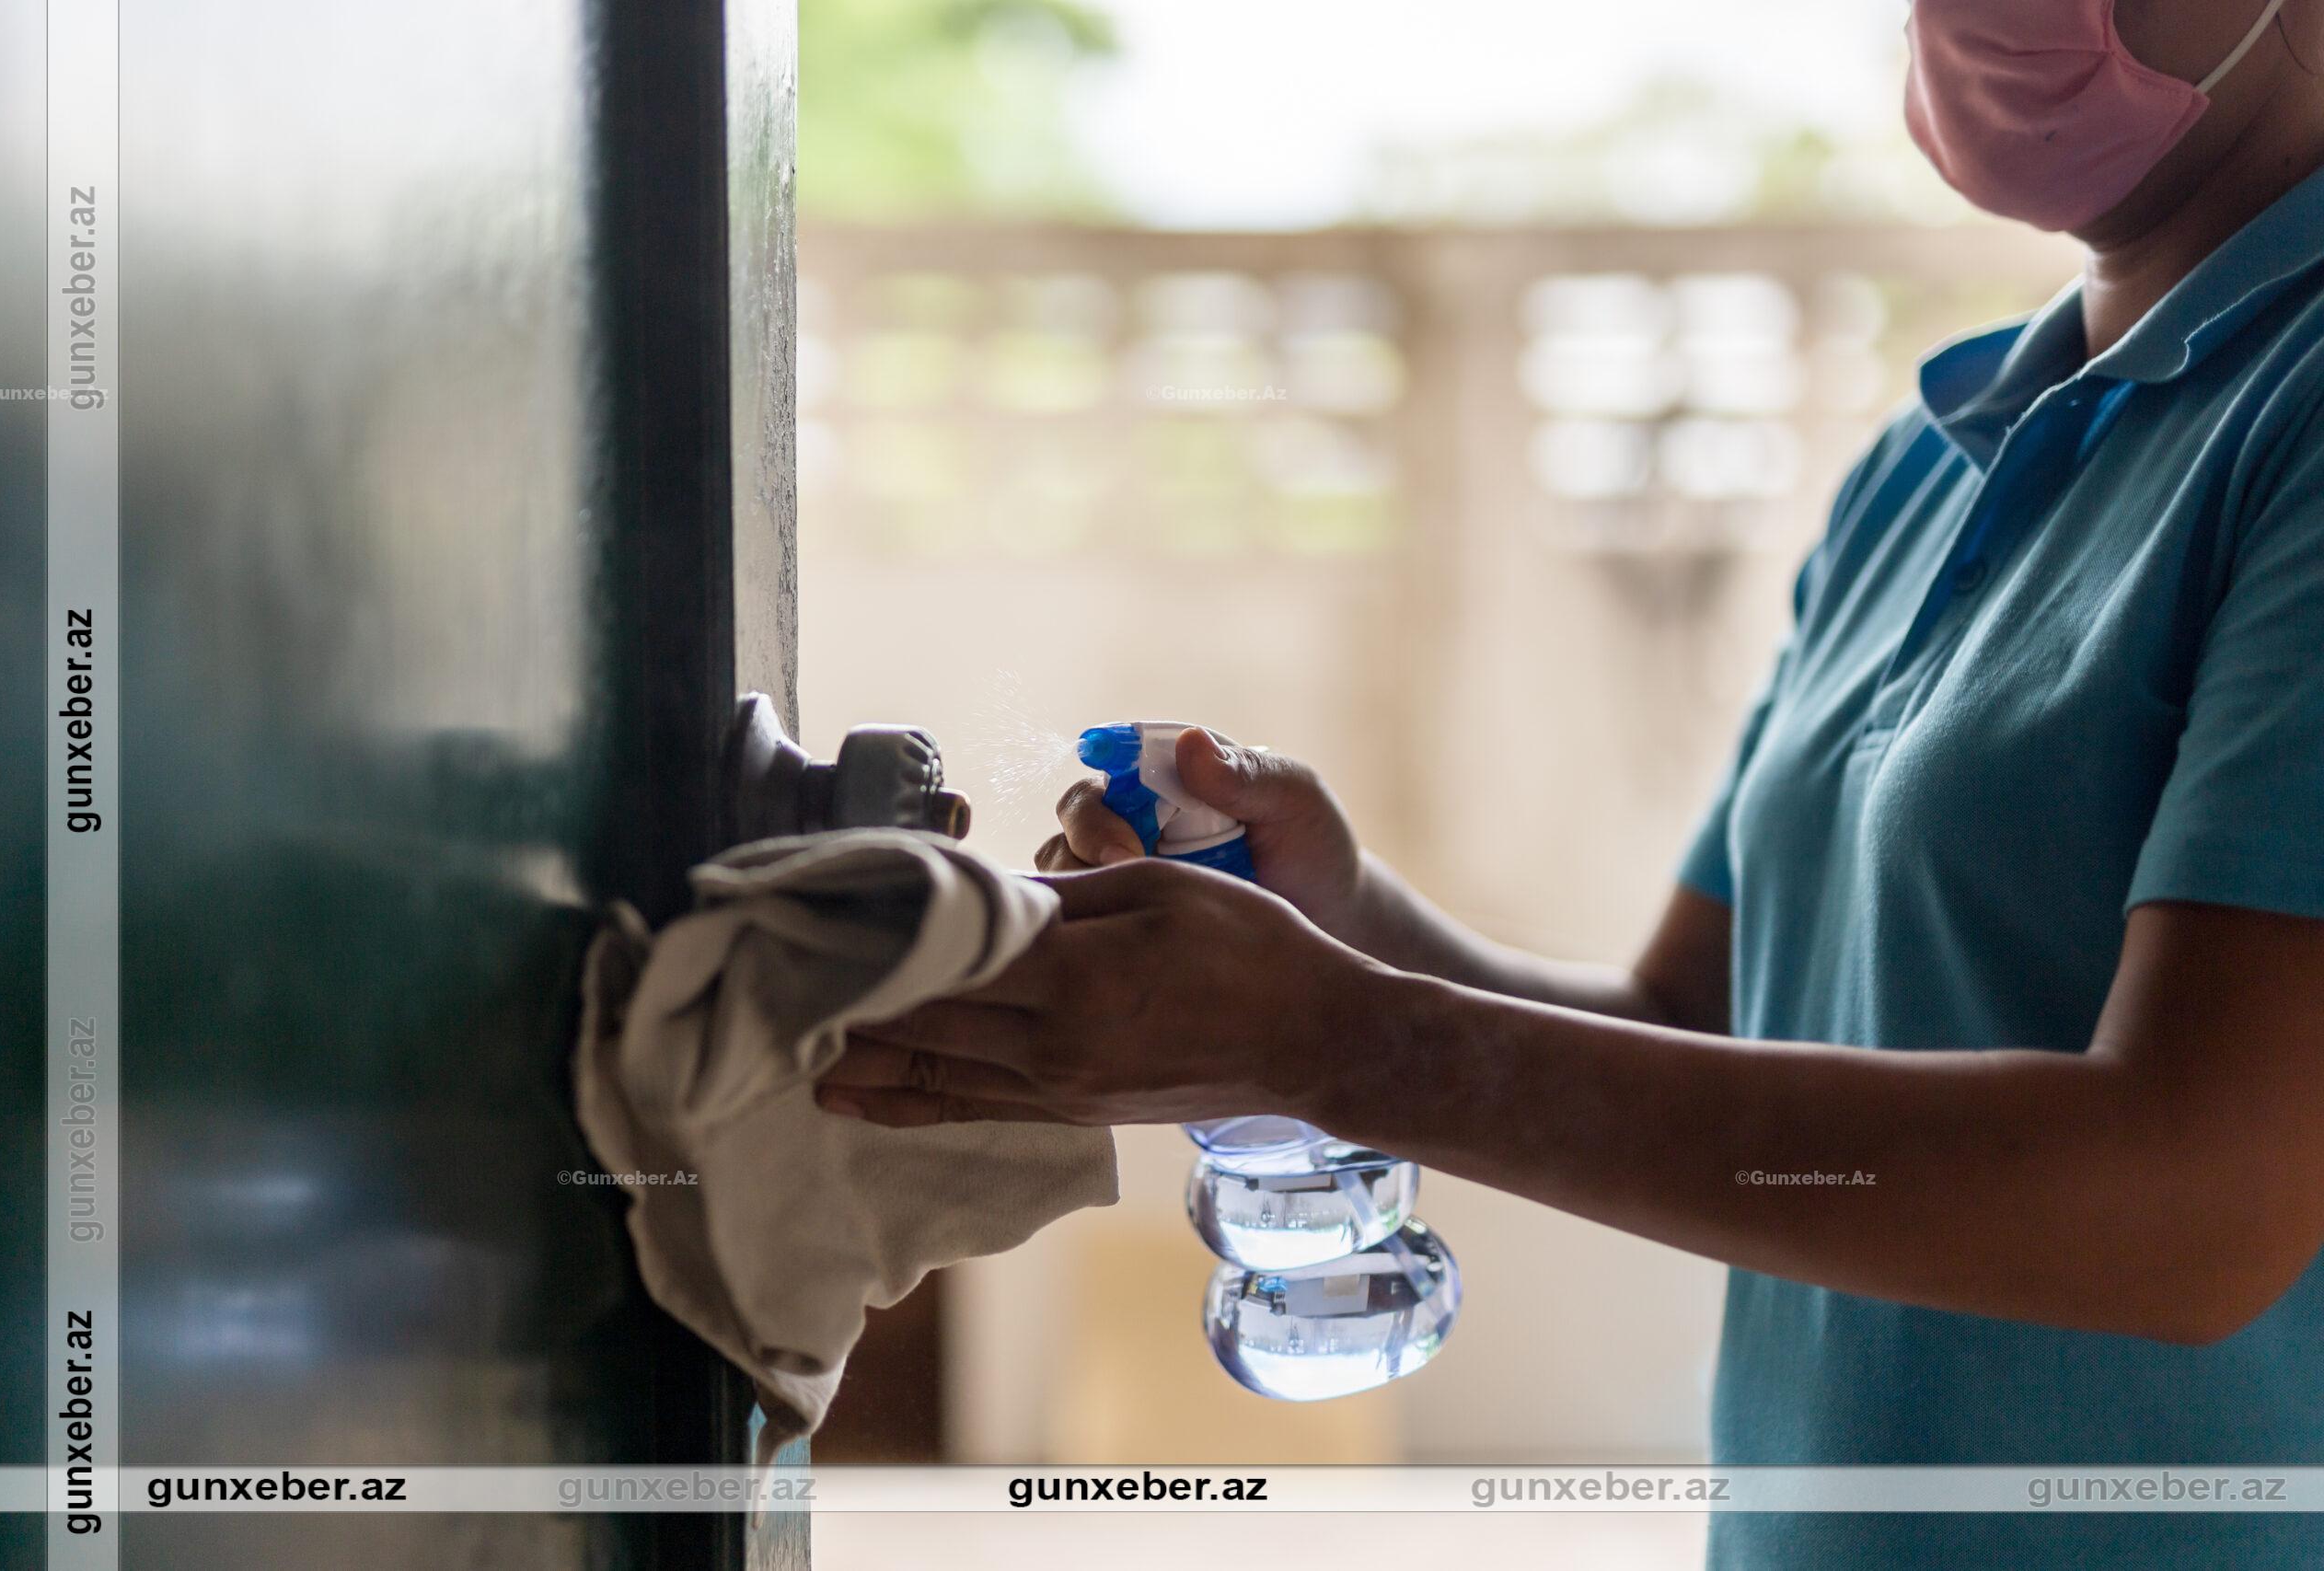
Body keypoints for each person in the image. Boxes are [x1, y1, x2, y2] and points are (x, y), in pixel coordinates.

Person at [816, 2, 2324, 1565]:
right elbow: (1695, 1033)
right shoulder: (1927, 463)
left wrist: (1346, 1041)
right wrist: (1349, 930)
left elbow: (2198, 1208)